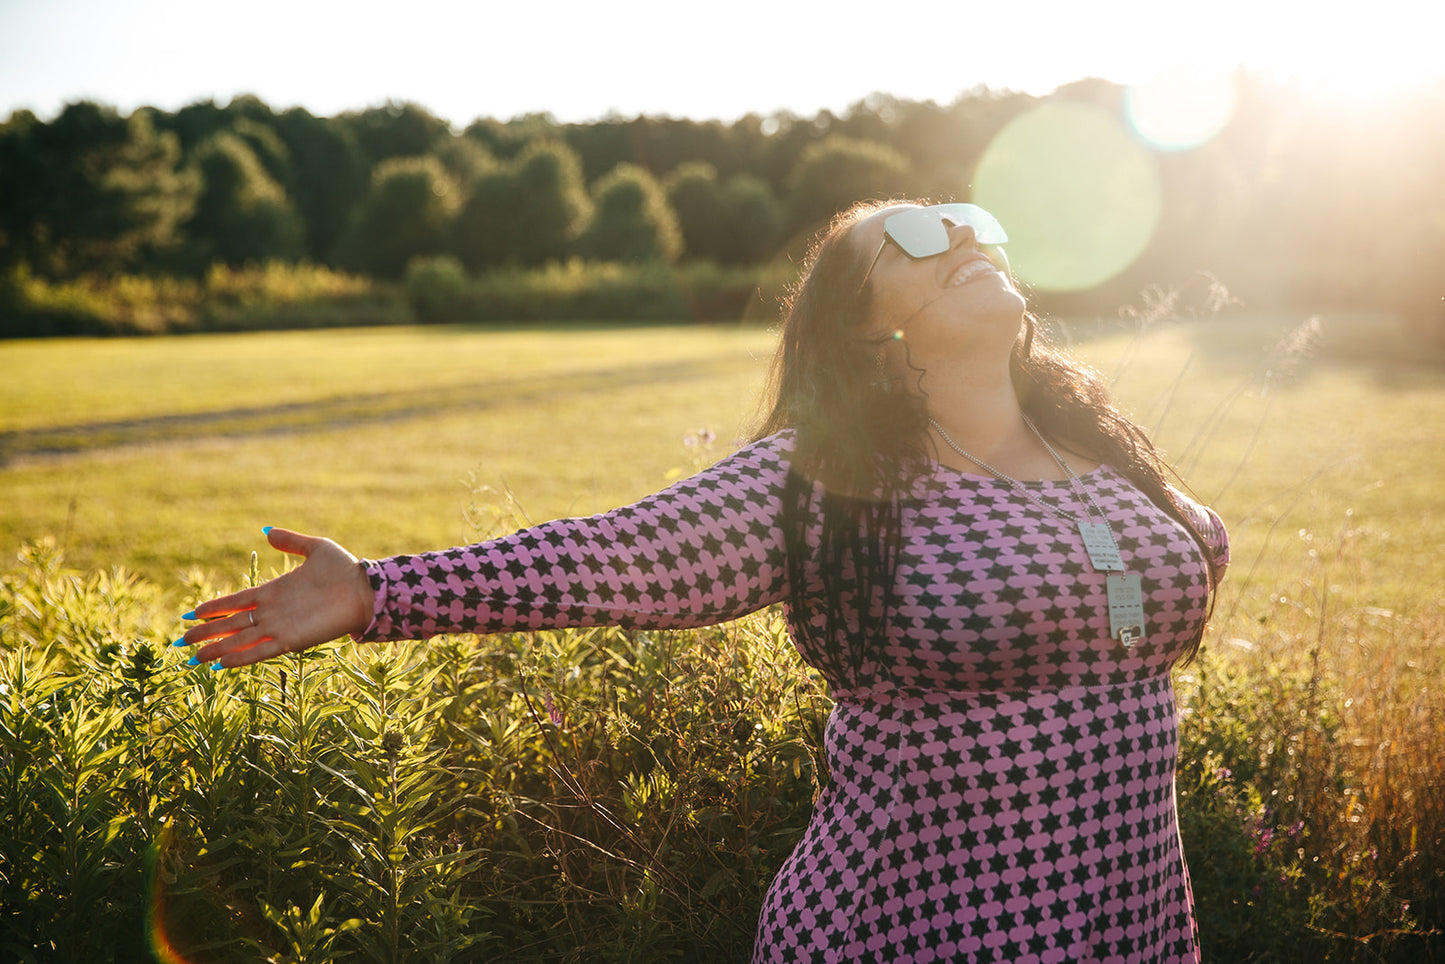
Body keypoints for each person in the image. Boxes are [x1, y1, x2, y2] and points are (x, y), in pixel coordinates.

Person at [177, 199, 1228, 963]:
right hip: (920, 922)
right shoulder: (830, 481)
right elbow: (617, 556)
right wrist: (380, 591)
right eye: (911, 237)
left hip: (1130, 914)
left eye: (967, 219)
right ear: (867, 330)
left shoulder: (1094, 447)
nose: (957, 238)